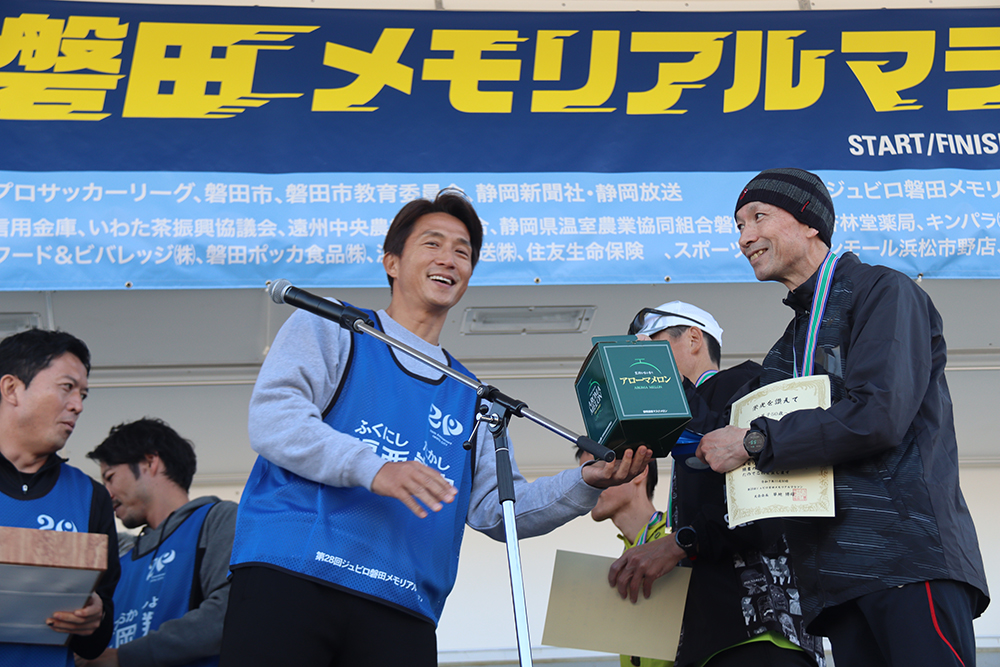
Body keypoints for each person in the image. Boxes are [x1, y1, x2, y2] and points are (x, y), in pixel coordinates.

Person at [220, 189, 651, 666]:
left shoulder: (473, 395)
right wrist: (375, 468)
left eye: (462, 252)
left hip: (401, 605)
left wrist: (584, 482)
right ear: (391, 261)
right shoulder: (331, 326)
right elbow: (275, 419)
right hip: (292, 574)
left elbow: (496, 510)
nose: (449, 259)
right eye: (432, 244)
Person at [694, 168, 989, 666]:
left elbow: (878, 414)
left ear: (810, 222)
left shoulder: (884, 292)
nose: (744, 238)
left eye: (758, 218)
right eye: (738, 226)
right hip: (834, 585)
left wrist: (753, 443)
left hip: (906, 561)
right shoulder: (786, 348)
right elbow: (724, 427)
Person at [609, 303, 823, 666]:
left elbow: (762, 502)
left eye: (654, 346)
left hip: (761, 631)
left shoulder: (746, 385)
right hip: (713, 636)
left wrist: (681, 542)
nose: (644, 361)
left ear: (694, 338)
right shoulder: (690, 415)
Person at [0, 328, 119, 666]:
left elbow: (96, 640)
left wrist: (94, 617)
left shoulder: (90, 496)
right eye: (67, 387)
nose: (77, 406)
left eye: (83, 395)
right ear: (11, 389)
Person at [79, 418, 238, 667]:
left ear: (150, 462)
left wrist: (123, 657)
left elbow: (230, 611)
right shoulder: (122, 556)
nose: (106, 493)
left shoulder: (216, 520)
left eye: (110, 477)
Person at [576, 447, 669, 667]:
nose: (588, 485)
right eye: (584, 478)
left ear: (639, 471)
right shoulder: (622, 563)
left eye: (599, 470)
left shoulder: (682, 541)